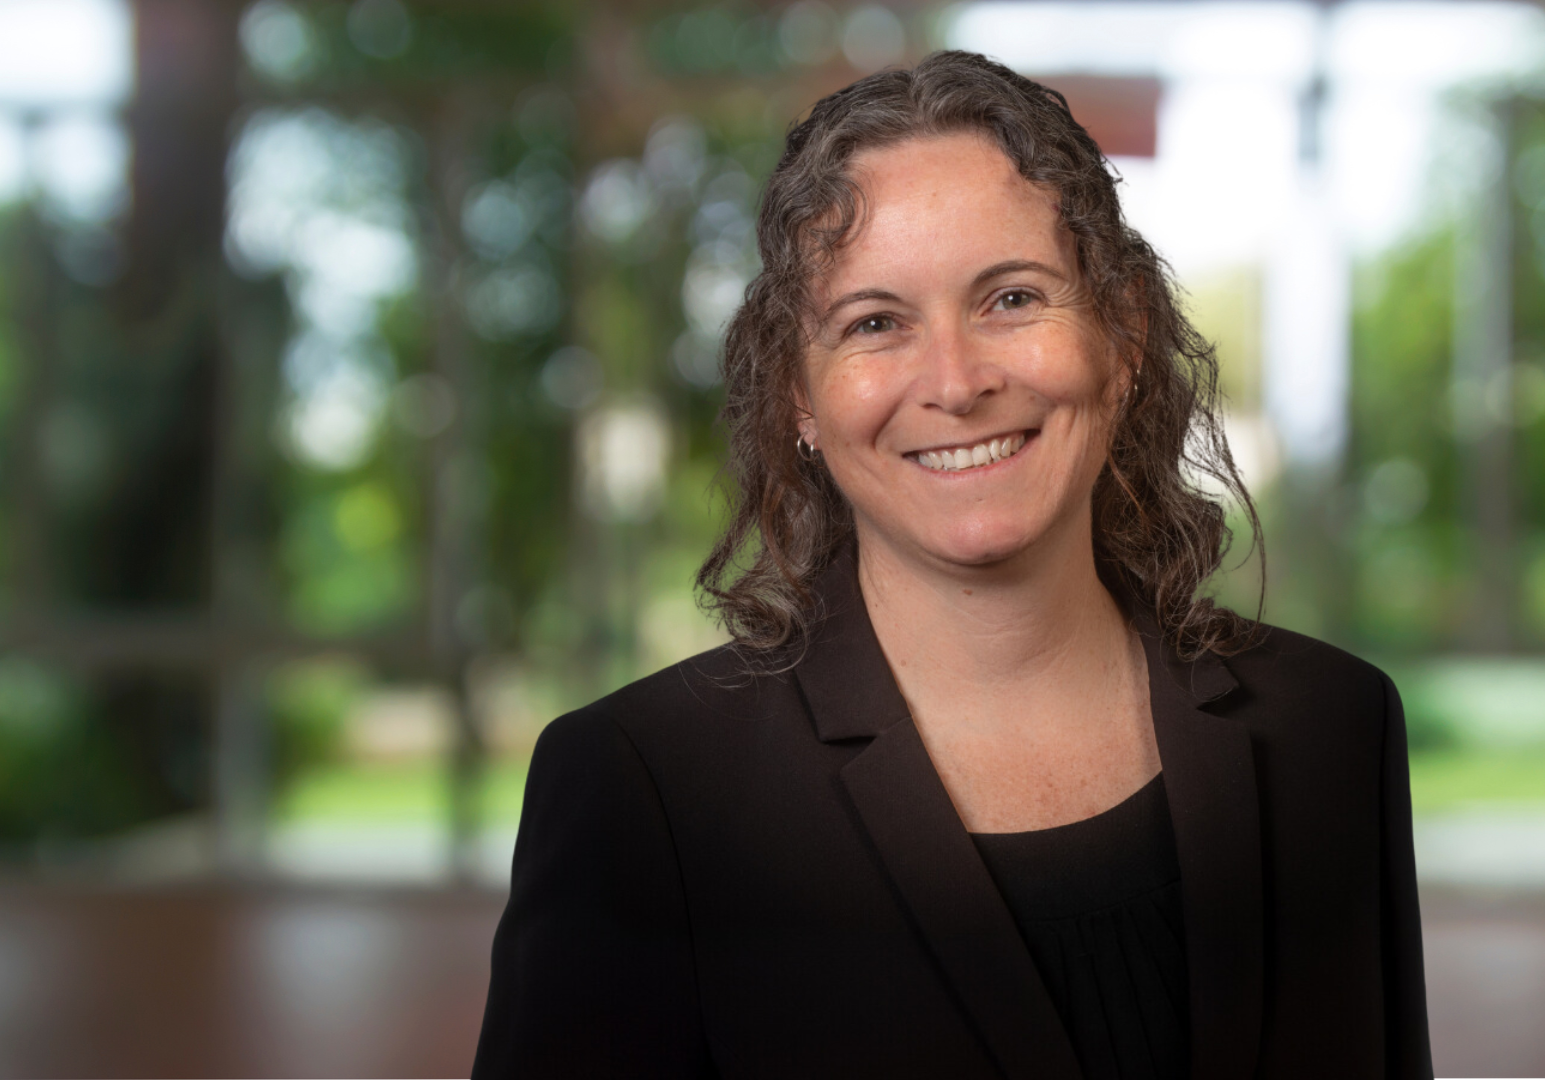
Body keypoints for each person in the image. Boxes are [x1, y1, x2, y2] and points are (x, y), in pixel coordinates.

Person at [473, 50, 1430, 1080]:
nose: (957, 381)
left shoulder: (1332, 731)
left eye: (1012, 299)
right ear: (800, 394)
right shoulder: (642, 792)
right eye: (875, 323)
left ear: (1126, 336)